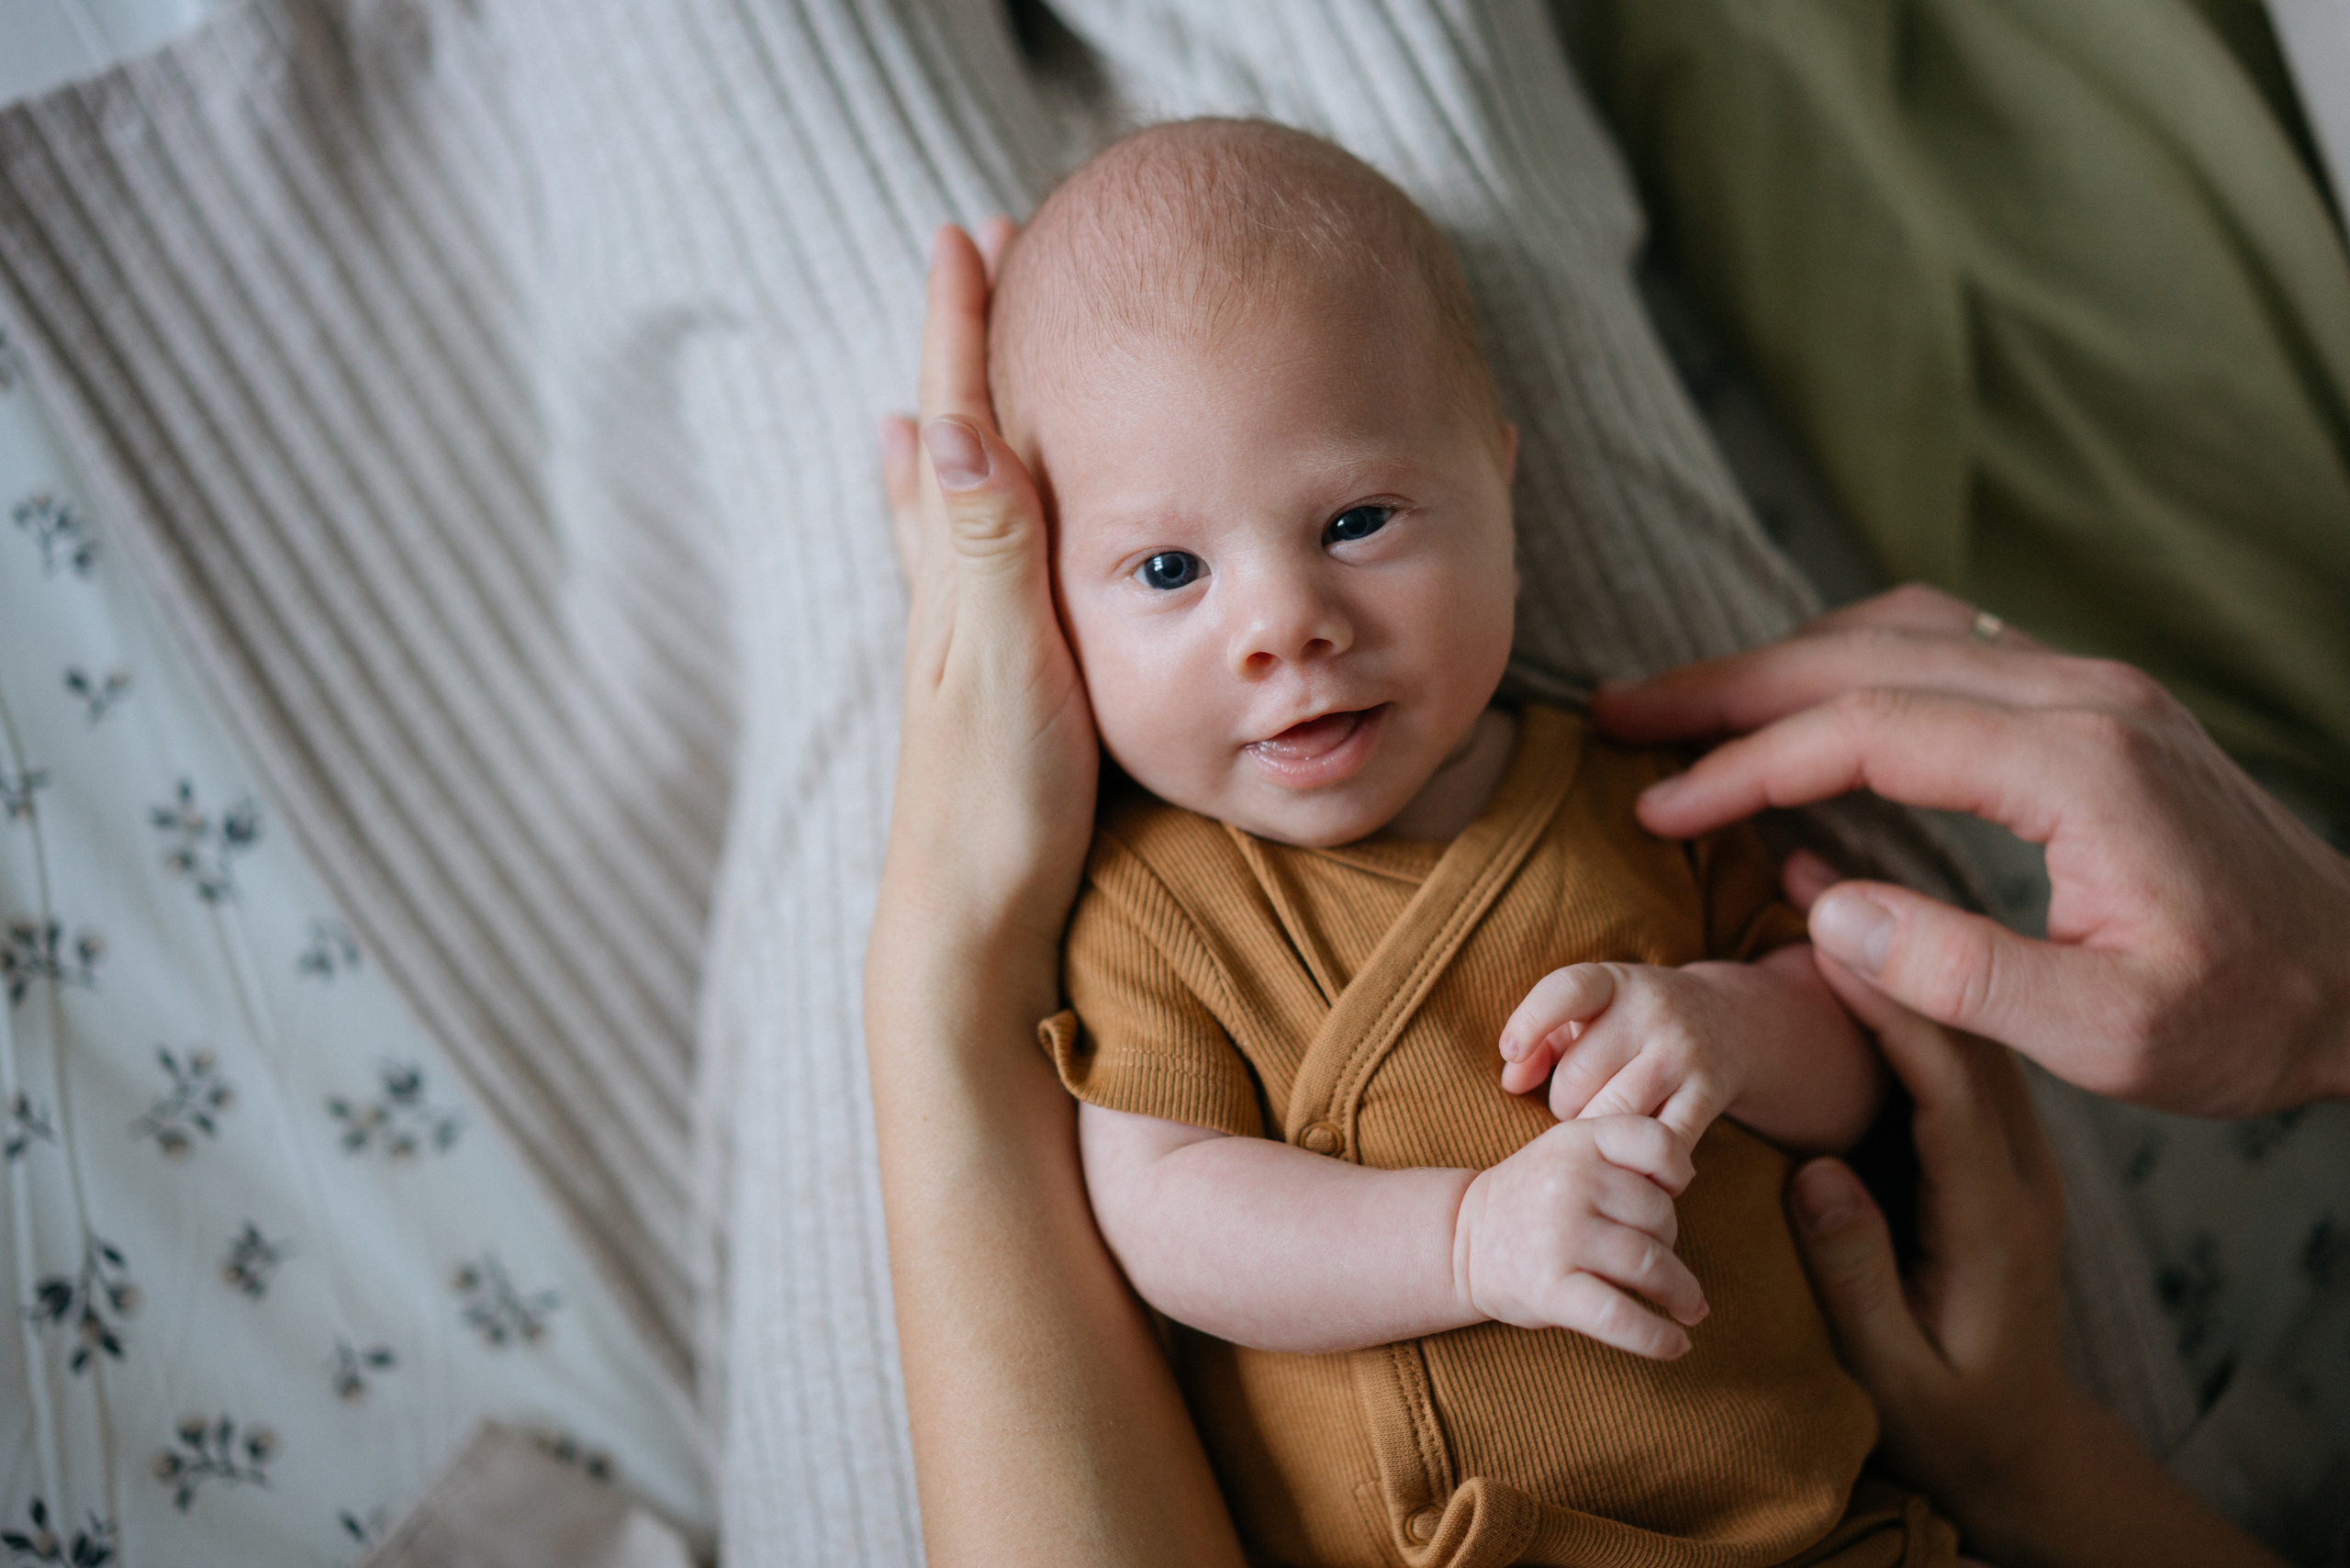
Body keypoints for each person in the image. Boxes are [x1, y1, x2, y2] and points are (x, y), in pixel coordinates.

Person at [867, 210, 2298, 1566]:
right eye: (1169, 568)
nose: (1284, 624)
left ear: (1500, 487)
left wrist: (1731, 1024)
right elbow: (1169, 1217)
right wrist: (1462, 1241)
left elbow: (1858, 1072)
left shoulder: (1637, 793)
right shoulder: (1150, 901)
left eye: (1356, 520)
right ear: (1051, 612)